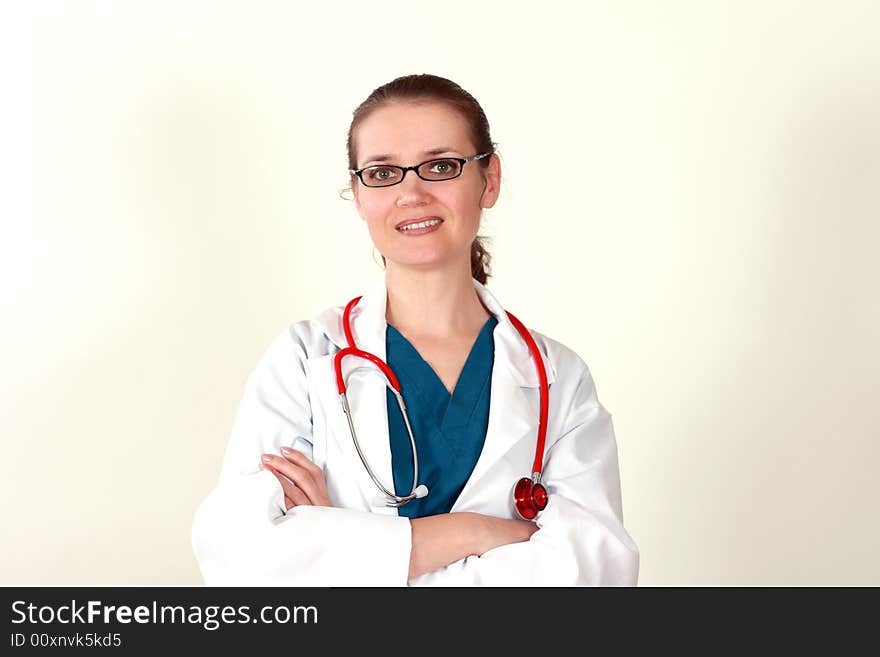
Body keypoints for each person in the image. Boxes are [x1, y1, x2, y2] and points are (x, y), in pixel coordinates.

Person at [191, 73, 639, 586]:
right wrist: (476, 532)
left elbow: (595, 572)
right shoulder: (305, 359)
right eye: (382, 174)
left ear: (489, 179)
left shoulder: (557, 378)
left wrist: (343, 545)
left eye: (441, 166)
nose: (411, 192)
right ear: (358, 195)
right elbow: (243, 562)